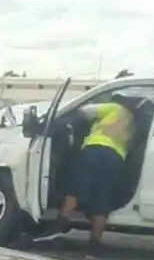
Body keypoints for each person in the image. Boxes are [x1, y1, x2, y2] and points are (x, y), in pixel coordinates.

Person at [57, 97, 137, 248]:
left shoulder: (114, 108)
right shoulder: (133, 125)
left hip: (95, 149)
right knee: (102, 198)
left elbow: (84, 111)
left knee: (76, 186)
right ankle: (95, 241)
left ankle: (63, 218)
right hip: (116, 158)